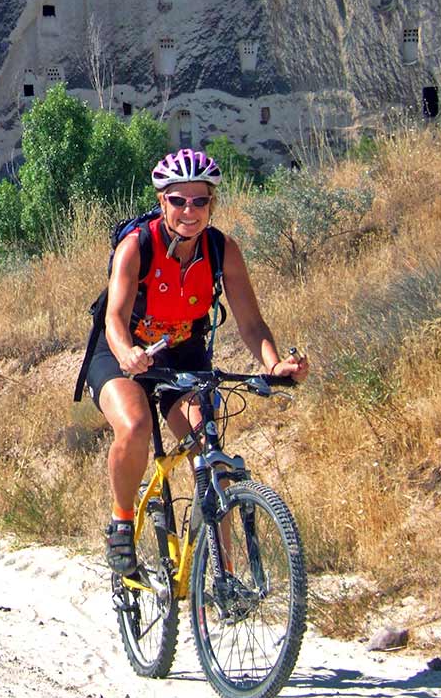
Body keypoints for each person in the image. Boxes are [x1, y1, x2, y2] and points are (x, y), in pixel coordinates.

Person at [83, 149, 309, 575]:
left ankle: (223, 578)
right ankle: (121, 520)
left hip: (183, 351)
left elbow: (252, 323)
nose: (190, 211)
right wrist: (127, 352)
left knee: (209, 448)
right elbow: (113, 317)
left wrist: (274, 363)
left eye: (200, 201)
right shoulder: (138, 245)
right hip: (120, 352)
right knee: (135, 425)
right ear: (162, 201)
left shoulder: (223, 250)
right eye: (178, 201)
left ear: (212, 204)